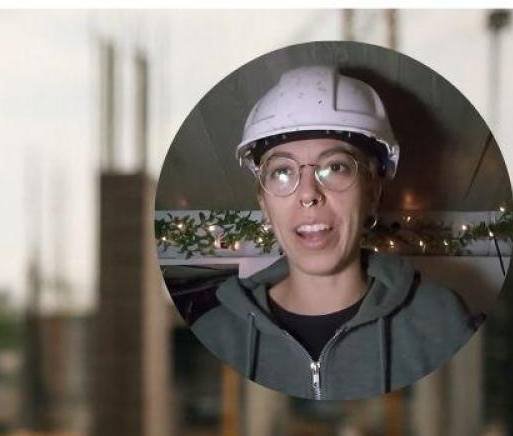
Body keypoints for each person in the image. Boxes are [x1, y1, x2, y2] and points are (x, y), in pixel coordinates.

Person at [190, 64, 476, 401]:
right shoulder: (214, 333)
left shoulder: (442, 321)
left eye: (335, 167)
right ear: (263, 202)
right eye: (282, 171)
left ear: (372, 191)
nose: (308, 193)